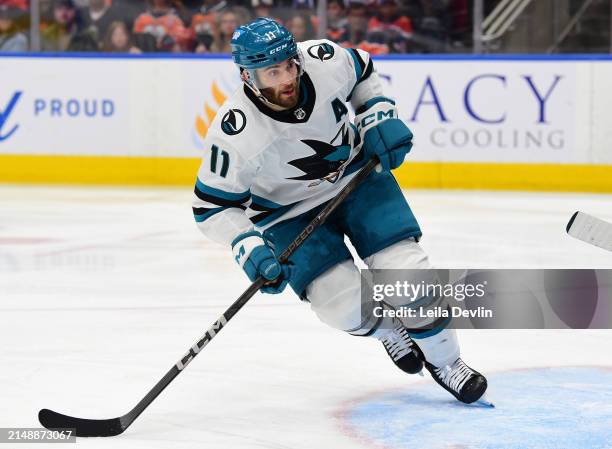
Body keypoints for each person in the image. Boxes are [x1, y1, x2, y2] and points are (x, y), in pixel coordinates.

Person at [192, 17, 489, 405]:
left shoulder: (322, 59)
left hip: (357, 177)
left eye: (289, 65)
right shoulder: (235, 131)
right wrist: (246, 244)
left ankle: (448, 363)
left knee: (410, 276)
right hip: (287, 214)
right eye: (271, 73)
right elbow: (211, 207)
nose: (286, 79)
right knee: (342, 305)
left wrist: (377, 112)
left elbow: (362, 70)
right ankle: (389, 331)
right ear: (248, 77)